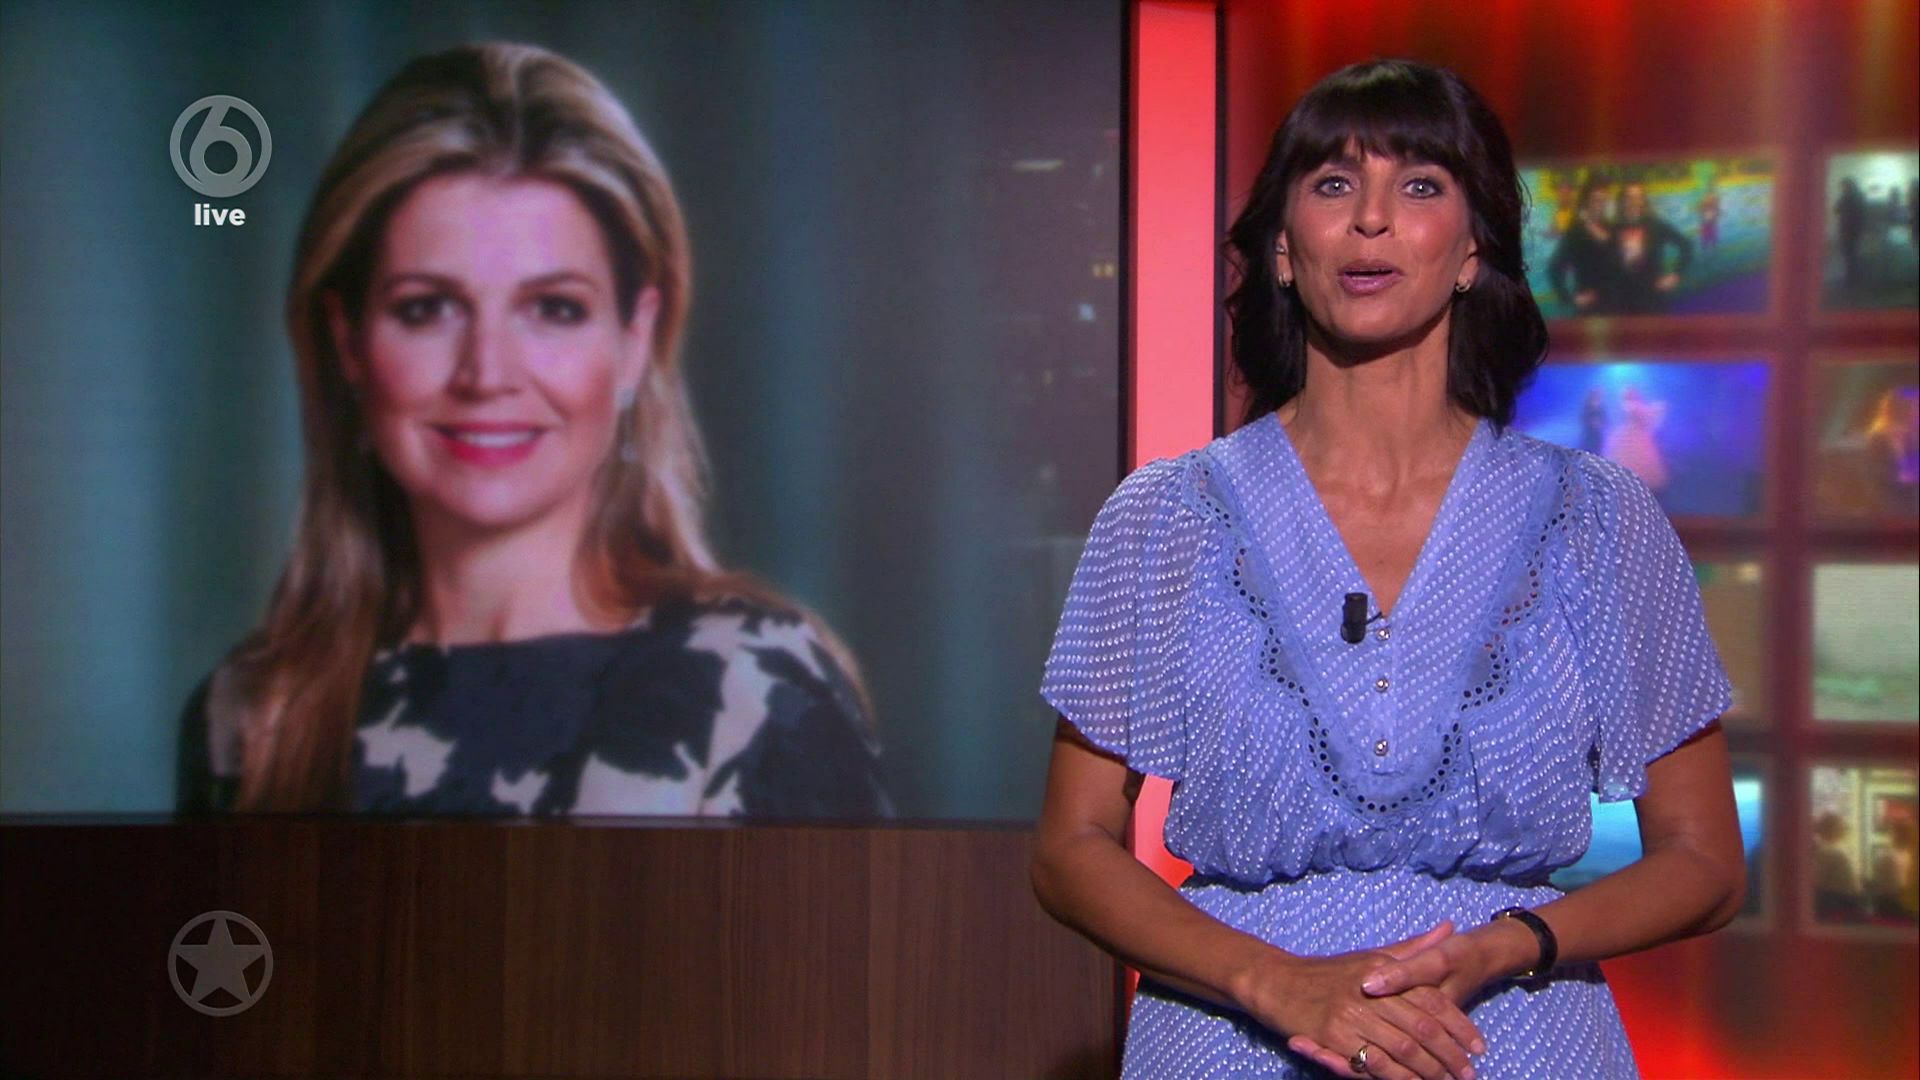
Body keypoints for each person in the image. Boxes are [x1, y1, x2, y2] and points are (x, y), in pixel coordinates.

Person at [1032, 59, 1744, 1079]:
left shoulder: (1598, 517)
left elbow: (1706, 862)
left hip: (1509, 1031)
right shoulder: (1164, 516)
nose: (1371, 219)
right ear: (1284, 248)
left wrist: (1505, 944)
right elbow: (1070, 850)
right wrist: (1277, 982)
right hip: (1234, 1033)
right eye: (1333, 183)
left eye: (1418, 184)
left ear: (1472, 248)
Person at [176, 42, 888, 818]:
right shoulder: (250, 716)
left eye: (554, 308)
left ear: (635, 339)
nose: (487, 373)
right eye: (426, 308)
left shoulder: (757, 690)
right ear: (348, 342)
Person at [1608, 181, 1692, 315]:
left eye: (1638, 197)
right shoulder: (1613, 229)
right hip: (1623, 301)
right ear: (1622, 201)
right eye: (1629, 197)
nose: (1633, 202)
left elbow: (1686, 245)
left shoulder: (1656, 225)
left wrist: (1675, 275)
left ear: (1643, 201)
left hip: (1653, 299)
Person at [1546, 175, 1618, 314]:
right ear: (1587, 201)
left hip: (1616, 304)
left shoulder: (1612, 227)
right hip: (1591, 307)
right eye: (1596, 200)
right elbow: (1554, 268)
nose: (1601, 204)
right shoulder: (1576, 230)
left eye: (1604, 200)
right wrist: (1569, 298)